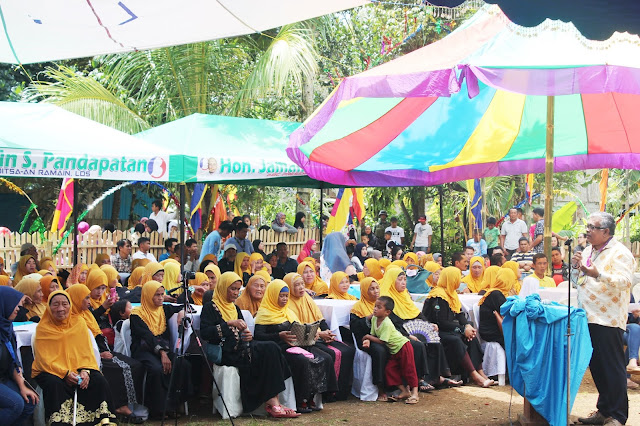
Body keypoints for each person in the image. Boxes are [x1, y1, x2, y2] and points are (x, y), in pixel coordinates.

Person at [199, 272, 299, 417]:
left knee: (272, 348)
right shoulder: (210, 307)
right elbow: (206, 333)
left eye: (237, 289)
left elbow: (241, 332)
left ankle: (274, 401)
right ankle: (273, 403)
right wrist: (228, 324)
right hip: (225, 351)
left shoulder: (234, 308)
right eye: (232, 289)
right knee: (268, 350)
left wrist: (246, 335)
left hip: (240, 347)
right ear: (223, 287)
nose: (235, 293)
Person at [574, 212, 634, 426]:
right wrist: (578, 268)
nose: (587, 230)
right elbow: (583, 280)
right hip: (587, 316)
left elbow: (625, 281)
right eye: (587, 226)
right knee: (597, 366)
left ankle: (618, 415)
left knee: (612, 366)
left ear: (606, 232)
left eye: (592, 227)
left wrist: (597, 274)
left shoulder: (621, 253)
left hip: (607, 318)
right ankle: (604, 410)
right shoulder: (589, 250)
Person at [33, 290, 116, 425]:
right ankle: (61, 422)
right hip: (52, 370)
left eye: (65, 304)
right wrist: (65, 373)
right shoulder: (43, 328)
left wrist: (85, 370)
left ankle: (100, 421)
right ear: (48, 306)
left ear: (70, 305)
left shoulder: (79, 323)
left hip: (80, 366)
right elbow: (44, 359)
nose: (61, 309)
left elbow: (86, 351)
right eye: (55, 304)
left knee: (98, 380)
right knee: (54, 384)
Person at [66, 283, 145, 423]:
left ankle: (128, 404)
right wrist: (99, 354)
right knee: (116, 368)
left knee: (135, 365)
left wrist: (104, 351)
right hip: (89, 357)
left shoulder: (86, 314)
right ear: (76, 299)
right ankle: (119, 407)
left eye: (88, 298)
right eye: (85, 298)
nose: (88, 302)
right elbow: (78, 346)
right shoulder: (71, 319)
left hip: (103, 350)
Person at [254, 278, 331, 413]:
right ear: (272, 295)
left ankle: (311, 397)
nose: (284, 299)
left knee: (319, 357)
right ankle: (301, 400)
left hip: (294, 346)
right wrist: (278, 336)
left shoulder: (288, 312)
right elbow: (258, 336)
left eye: (286, 296)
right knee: (302, 361)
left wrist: (309, 334)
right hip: (278, 350)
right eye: (281, 296)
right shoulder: (264, 313)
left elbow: (297, 329)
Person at [281, 273, 355, 401]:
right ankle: (328, 394)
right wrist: (320, 334)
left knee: (348, 350)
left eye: (302, 284)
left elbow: (319, 317)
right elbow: (298, 328)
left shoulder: (307, 299)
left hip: (319, 335)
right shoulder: (288, 304)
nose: (301, 288)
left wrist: (327, 332)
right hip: (306, 339)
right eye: (296, 285)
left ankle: (342, 392)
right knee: (330, 355)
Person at [380, 268, 454, 390]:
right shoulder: (387, 299)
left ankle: (435, 378)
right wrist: (408, 335)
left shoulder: (404, 296)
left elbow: (416, 313)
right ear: (392, 281)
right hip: (399, 332)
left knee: (433, 338)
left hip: (411, 329)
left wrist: (429, 324)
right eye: (399, 280)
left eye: (405, 279)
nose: (403, 283)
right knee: (417, 344)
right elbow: (393, 323)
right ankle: (419, 379)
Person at [423, 267, 494, 387]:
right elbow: (441, 322)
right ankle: (474, 376)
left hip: (448, 329)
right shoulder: (438, 296)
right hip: (435, 330)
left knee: (471, 337)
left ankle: (481, 372)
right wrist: (462, 329)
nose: (459, 280)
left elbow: (459, 313)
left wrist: (467, 326)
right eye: (457, 277)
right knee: (456, 339)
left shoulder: (451, 293)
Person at [129, 281, 190, 419]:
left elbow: (183, 306)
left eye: (162, 294)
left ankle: (174, 404)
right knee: (157, 369)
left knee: (183, 364)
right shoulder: (136, 315)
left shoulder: (163, 309)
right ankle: (158, 410)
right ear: (148, 295)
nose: (161, 298)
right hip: (144, 351)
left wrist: (181, 312)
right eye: (157, 295)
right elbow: (148, 338)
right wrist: (162, 353)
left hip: (163, 351)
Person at [363, 295, 419, 404]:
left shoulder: (387, 323)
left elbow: (382, 341)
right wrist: (368, 340)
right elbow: (373, 334)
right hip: (394, 350)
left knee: (409, 369)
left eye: (379, 307)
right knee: (390, 370)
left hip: (403, 347)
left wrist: (368, 337)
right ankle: (404, 391)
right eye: (375, 306)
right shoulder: (374, 319)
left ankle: (415, 393)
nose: (375, 309)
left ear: (387, 312)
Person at [0, 286, 38, 425]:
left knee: (30, 402)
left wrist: (22, 386)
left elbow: (14, 362)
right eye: (15, 305)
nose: (18, 309)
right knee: (15, 404)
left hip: (4, 378)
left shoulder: (7, 328)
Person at [349, 278, 389, 400]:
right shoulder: (358, 307)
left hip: (383, 336)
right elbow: (355, 328)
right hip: (366, 340)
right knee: (380, 350)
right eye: (371, 289)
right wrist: (369, 317)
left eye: (377, 287)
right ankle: (380, 386)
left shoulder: (383, 305)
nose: (376, 291)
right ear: (365, 290)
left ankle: (398, 384)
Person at [478, 268, 517, 348]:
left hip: (494, 329)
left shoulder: (500, 292)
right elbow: (509, 312)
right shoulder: (496, 294)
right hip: (492, 332)